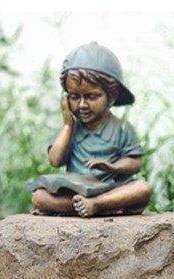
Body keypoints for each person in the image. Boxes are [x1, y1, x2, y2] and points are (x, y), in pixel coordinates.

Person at [26, 43, 152, 217]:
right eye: (74, 97)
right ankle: (102, 205)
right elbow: (55, 161)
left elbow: (135, 163)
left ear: (111, 96)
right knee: (40, 197)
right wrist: (68, 125)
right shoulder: (69, 130)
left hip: (111, 187)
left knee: (142, 188)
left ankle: (97, 204)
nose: (82, 105)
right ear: (65, 98)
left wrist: (113, 167)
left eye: (91, 96)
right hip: (76, 190)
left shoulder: (122, 128)